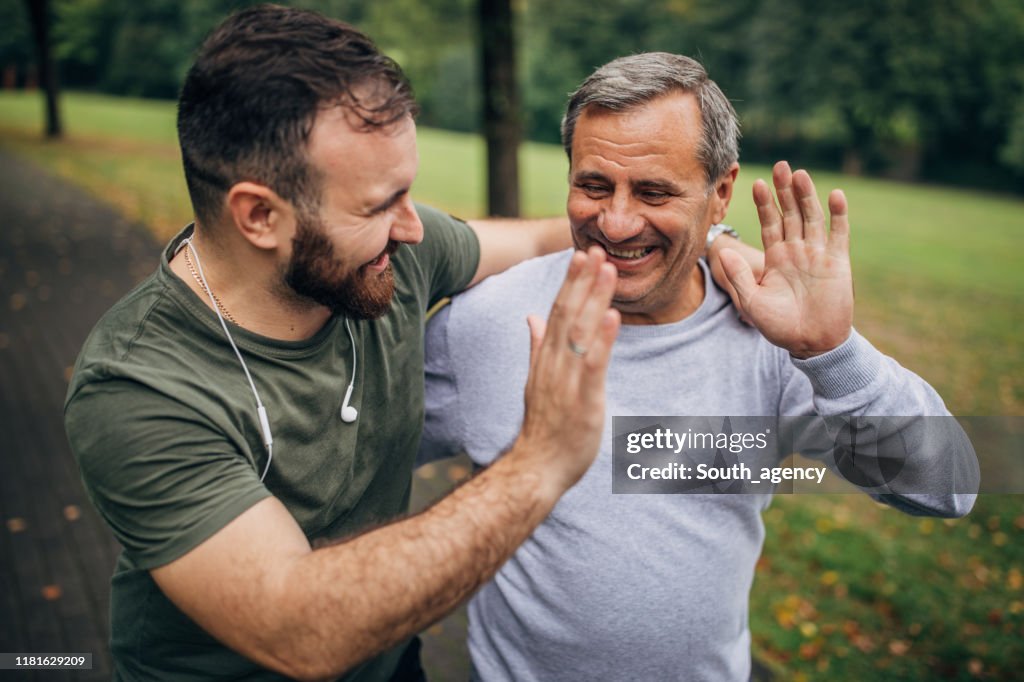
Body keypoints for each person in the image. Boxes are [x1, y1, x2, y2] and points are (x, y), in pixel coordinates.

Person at [61, 5, 638, 680]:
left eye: (407, 194)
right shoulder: (138, 388)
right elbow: (298, 631)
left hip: (390, 662)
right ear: (259, 216)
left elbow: (543, 240)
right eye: (377, 205)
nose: (414, 227)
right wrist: (539, 462)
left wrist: (713, 249)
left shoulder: (389, 251)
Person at [419, 52, 979, 681]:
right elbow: (360, 462)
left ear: (720, 195)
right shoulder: (487, 320)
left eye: (654, 191)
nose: (616, 221)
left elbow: (946, 488)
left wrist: (832, 350)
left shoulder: (771, 339)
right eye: (594, 185)